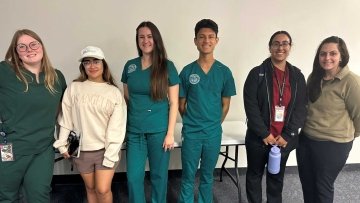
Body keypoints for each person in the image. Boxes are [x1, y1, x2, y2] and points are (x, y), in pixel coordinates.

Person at [0, 29, 66, 203]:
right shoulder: (4, 71)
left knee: (39, 196)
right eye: (22, 47)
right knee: (6, 196)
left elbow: (62, 111)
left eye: (33, 44)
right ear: (16, 53)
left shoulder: (56, 77)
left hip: (42, 149)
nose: (29, 49)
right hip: (9, 147)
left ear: (42, 46)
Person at [53, 46, 127, 203]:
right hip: (81, 150)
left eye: (96, 61)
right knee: (91, 189)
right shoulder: (74, 88)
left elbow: (117, 127)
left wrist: (111, 153)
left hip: (105, 150)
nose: (92, 66)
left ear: (103, 64)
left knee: (103, 189)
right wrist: (62, 144)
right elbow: (66, 119)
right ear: (83, 66)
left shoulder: (113, 92)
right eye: (87, 62)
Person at [243, 31, 307, 203]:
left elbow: (301, 108)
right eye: (276, 43)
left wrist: (287, 135)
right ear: (270, 47)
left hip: (282, 140)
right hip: (259, 138)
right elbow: (251, 106)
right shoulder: (256, 74)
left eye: (285, 43)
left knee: (276, 177)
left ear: (290, 47)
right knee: (254, 175)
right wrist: (264, 133)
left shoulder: (298, 77)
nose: (280, 47)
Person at [178, 19, 236, 203]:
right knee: (187, 176)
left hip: (212, 133)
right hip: (192, 133)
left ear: (217, 40)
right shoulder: (187, 71)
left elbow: (225, 105)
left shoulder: (224, 71)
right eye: (202, 37)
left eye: (211, 37)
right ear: (195, 40)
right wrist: (193, 122)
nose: (206, 40)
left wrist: (213, 123)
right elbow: (181, 104)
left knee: (207, 175)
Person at [296, 36, 360, 203]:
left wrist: (347, 135)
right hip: (306, 140)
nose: (327, 58)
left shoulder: (351, 82)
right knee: (308, 186)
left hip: (333, 144)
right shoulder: (314, 77)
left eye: (333, 53)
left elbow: (359, 117)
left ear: (342, 56)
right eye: (323, 54)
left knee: (322, 187)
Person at [121, 21, 179, 203]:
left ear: (156, 39)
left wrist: (170, 134)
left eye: (149, 36)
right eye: (141, 37)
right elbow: (127, 98)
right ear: (137, 40)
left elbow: (174, 102)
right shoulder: (130, 66)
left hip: (159, 132)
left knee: (158, 177)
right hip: (135, 132)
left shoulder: (167, 67)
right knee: (133, 177)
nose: (145, 40)